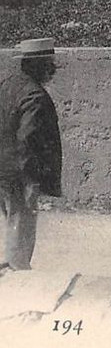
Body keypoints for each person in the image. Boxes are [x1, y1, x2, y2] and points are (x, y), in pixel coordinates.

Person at [0, 38, 62, 271]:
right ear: (38, 65)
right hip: (19, 171)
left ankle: (13, 268)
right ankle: (18, 272)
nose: (53, 68)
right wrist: (30, 179)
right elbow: (28, 139)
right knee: (21, 220)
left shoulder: (7, 85)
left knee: (11, 218)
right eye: (49, 63)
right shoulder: (35, 96)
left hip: (2, 167)